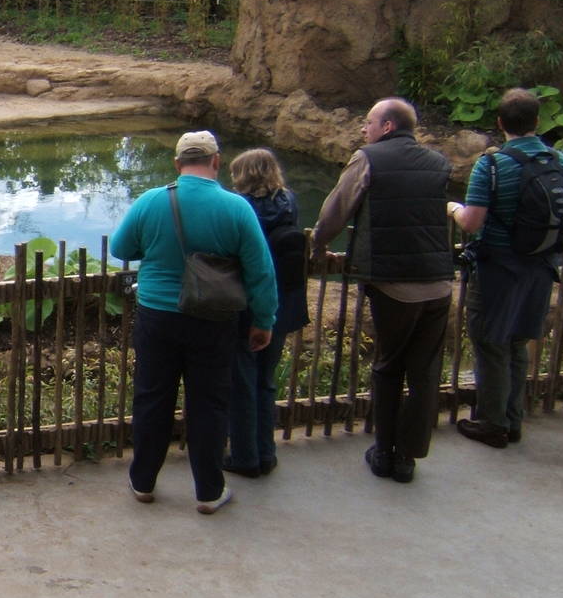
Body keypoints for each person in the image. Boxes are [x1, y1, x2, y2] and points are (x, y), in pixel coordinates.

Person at [110, 130, 276, 514]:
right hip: (213, 319)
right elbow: (261, 272)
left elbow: (121, 248)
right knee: (209, 404)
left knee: (152, 398)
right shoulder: (236, 208)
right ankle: (208, 491)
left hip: (157, 316)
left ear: (177, 163)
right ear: (216, 161)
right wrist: (263, 320)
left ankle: (143, 482)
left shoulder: (152, 201)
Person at [312, 97, 453, 484]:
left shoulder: (368, 158)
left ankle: (385, 451)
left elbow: (336, 209)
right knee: (424, 373)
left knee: (389, 366)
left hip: (395, 284)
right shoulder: (438, 162)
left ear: (388, 126)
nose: (364, 128)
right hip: (439, 283)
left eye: (369, 121)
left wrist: (319, 244)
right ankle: (408, 458)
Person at [449, 87, 563, 448]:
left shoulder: (492, 165)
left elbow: (472, 222)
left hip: (499, 269)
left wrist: (453, 209)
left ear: (499, 122)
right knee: (519, 341)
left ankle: (493, 424)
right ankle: (513, 420)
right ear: (537, 121)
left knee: (491, 342)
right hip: (542, 267)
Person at [224, 149, 310, 478]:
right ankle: (266, 452)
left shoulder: (240, 207)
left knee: (242, 381)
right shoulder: (289, 203)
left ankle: (244, 456)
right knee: (265, 381)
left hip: (248, 304)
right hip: (284, 304)